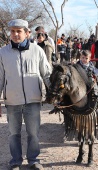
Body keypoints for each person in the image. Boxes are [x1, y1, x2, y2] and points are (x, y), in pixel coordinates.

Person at [0, 19, 52, 170]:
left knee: (33, 133)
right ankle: (15, 161)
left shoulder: (37, 50)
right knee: (13, 134)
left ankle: (33, 160)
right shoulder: (3, 53)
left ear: (27, 33)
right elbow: (0, 78)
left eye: (19, 31)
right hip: (12, 101)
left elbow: (47, 74)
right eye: (13, 31)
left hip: (33, 100)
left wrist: (55, 93)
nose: (15, 34)